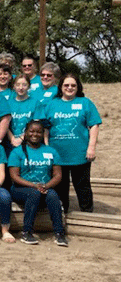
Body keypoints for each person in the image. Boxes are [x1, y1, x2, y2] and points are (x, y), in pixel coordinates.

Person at [42, 74, 101, 213]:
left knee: (83, 186)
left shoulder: (85, 103)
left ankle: (87, 214)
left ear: (78, 87)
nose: (69, 88)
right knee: (60, 187)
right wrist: (46, 148)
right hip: (57, 155)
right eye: (66, 85)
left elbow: (94, 125)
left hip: (80, 154)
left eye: (73, 85)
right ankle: (62, 215)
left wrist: (91, 147)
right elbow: (45, 128)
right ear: (61, 87)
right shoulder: (51, 104)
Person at [8, 120, 67, 246]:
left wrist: (46, 186)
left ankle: (59, 233)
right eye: (32, 131)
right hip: (21, 189)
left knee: (53, 195)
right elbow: (14, 176)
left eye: (39, 132)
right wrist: (35, 186)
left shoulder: (51, 151)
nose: (35, 134)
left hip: (44, 187)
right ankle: (27, 232)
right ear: (25, 133)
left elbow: (58, 175)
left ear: (43, 134)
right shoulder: (17, 152)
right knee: (34, 194)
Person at [7, 75, 39, 149]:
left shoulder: (35, 103)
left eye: (24, 85)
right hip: (11, 143)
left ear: (29, 86)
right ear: (14, 86)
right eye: (18, 85)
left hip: (29, 142)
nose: (21, 88)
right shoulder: (8, 103)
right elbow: (5, 124)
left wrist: (21, 138)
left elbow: (36, 124)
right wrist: (12, 138)